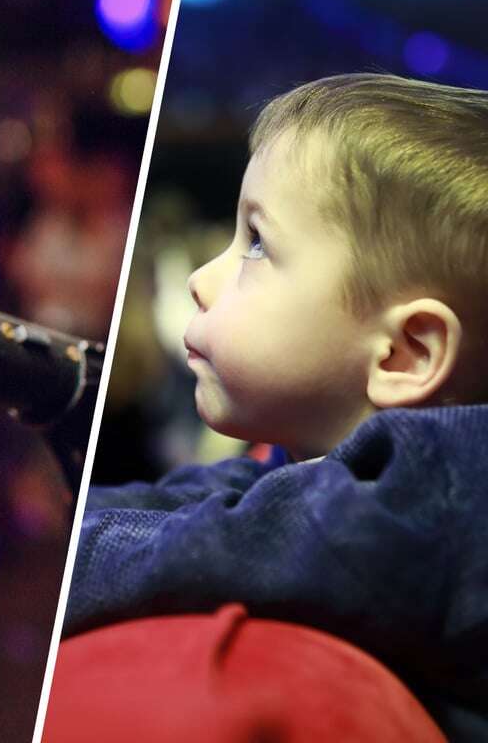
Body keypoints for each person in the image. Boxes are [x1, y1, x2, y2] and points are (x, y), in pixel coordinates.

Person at [65, 73, 488, 739]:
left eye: (257, 244)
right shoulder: (341, 475)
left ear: (403, 354)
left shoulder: (448, 490)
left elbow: (205, 550)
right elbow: (217, 499)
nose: (204, 281)